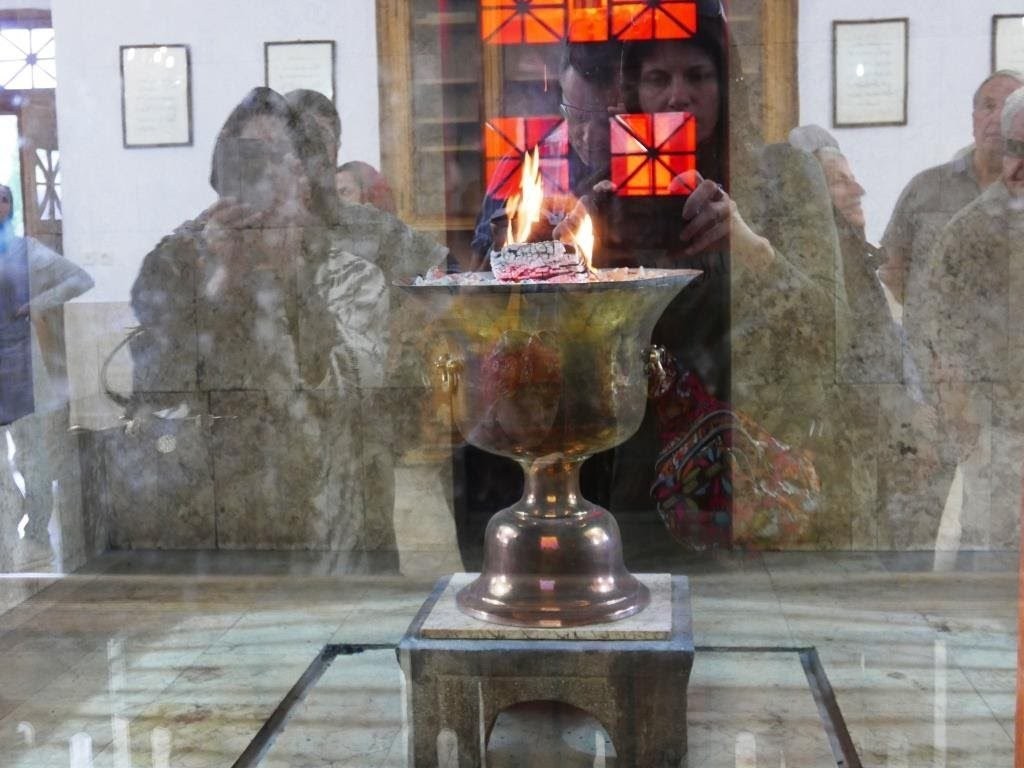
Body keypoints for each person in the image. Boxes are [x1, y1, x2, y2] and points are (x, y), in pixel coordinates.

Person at [129, 87, 445, 568]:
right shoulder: (183, 258)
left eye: (281, 161)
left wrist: (290, 272)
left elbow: (350, 394)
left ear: (306, 177)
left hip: (327, 535)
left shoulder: (349, 272)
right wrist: (222, 281)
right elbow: (154, 389)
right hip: (218, 533)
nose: (266, 177)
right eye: (251, 159)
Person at [569, 3, 847, 549]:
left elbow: (831, 330)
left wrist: (750, 248)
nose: (678, 96)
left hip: (763, 470)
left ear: (726, 83)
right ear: (635, 91)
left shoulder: (783, 177)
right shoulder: (607, 191)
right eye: (658, 78)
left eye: (698, 75)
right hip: (641, 481)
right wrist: (573, 257)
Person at [909, 87, 1024, 560]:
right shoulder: (972, 230)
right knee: (995, 563)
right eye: (1016, 148)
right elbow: (937, 334)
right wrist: (967, 423)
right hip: (1002, 436)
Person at [0, 183, 93, 569]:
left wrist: (37, 304)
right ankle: (5, 531)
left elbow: (80, 279)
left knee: (31, 456)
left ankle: (37, 531)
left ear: (10, 206)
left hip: (21, 365)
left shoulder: (26, 250)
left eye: (2, 199)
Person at [469, 40, 622, 268]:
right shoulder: (526, 165)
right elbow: (478, 271)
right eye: (577, 117)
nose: (589, 136)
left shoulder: (648, 168)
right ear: (562, 100)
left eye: (604, 120)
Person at [881, 70, 1024, 306]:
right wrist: (930, 313)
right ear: (974, 119)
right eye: (988, 106)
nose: (998, 118)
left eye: (1009, 109)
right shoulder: (925, 188)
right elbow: (891, 267)